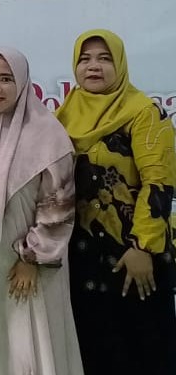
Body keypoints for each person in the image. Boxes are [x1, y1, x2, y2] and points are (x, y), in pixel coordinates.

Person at [0, 48, 83, 375]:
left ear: (22, 82)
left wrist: (32, 259)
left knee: (29, 345)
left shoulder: (48, 133)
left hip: (29, 265)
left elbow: (59, 205)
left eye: (6, 79)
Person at [56, 29, 176, 375]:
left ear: (120, 64)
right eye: (85, 59)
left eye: (104, 58)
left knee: (143, 353)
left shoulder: (144, 112)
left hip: (135, 259)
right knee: (93, 355)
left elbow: (159, 182)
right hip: (81, 262)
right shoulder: (62, 118)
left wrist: (142, 247)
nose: (93, 66)